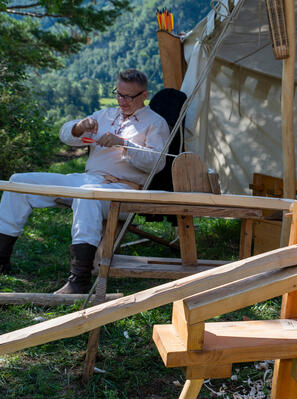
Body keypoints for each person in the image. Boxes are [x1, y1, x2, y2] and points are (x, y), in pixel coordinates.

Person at [0, 69, 170, 294]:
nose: (122, 101)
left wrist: (124, 144)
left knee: (87, 195)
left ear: (144, 95)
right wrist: (79, 126)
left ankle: (78, 279)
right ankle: (2, 259)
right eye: (119, 94)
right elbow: (66, 136)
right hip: (86, 180)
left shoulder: (156, 123)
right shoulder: (105, 115)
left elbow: (157, 163)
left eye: (129, 96)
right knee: (18, 182)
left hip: (122, 189)